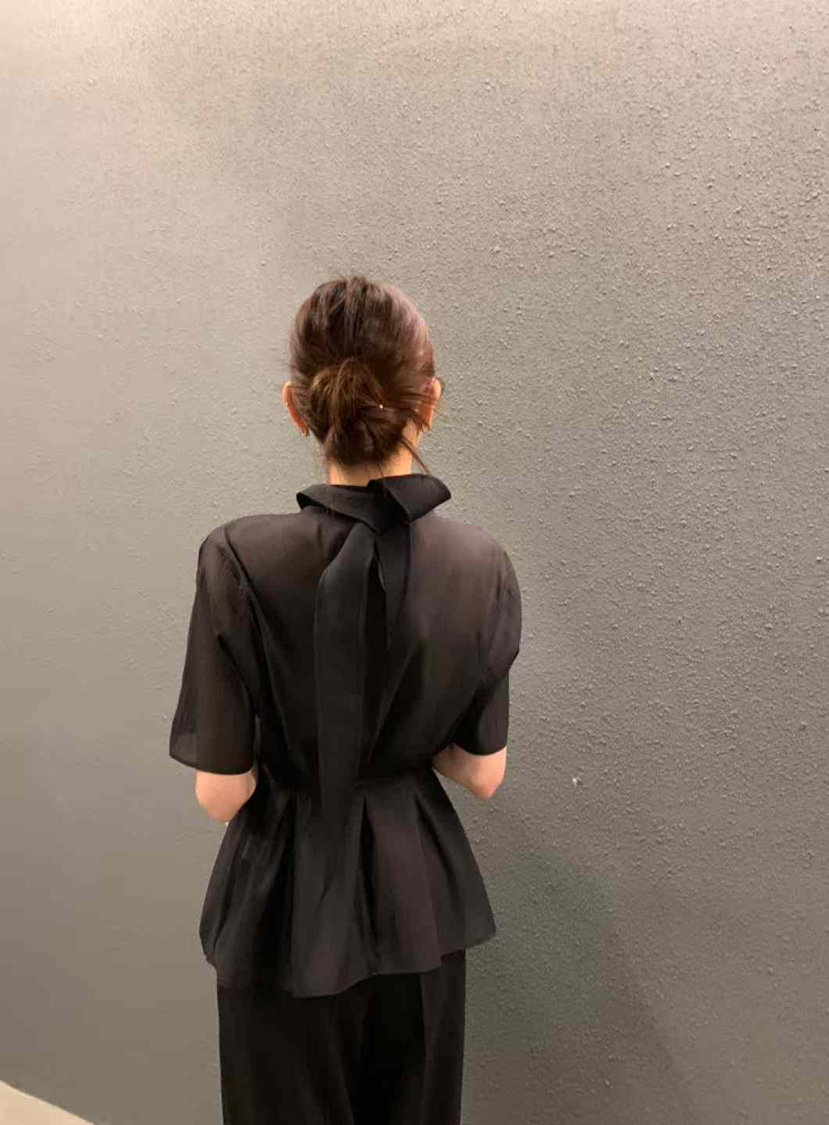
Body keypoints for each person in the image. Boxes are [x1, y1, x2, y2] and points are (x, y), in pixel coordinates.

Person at [168, 274, 523, 1124]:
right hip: (420, 906)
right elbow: (483, 773)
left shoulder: (236, 558)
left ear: (298, 407)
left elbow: (222, 792)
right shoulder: (482, 565)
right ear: (428, 403)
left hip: (283, 908)